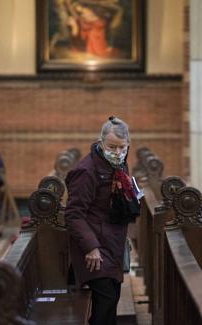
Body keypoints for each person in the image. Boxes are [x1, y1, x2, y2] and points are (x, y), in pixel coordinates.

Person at [64, 116, 138, 325]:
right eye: (111, 147)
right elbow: (74, 213)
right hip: (94, 247)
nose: (117, 152)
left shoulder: (120, 165)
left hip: (112, 242)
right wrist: (91, 247)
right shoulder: (86, 171)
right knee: (107, 299)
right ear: (101, 142)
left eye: (121, 148)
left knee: (111, 299)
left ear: (128, 145)